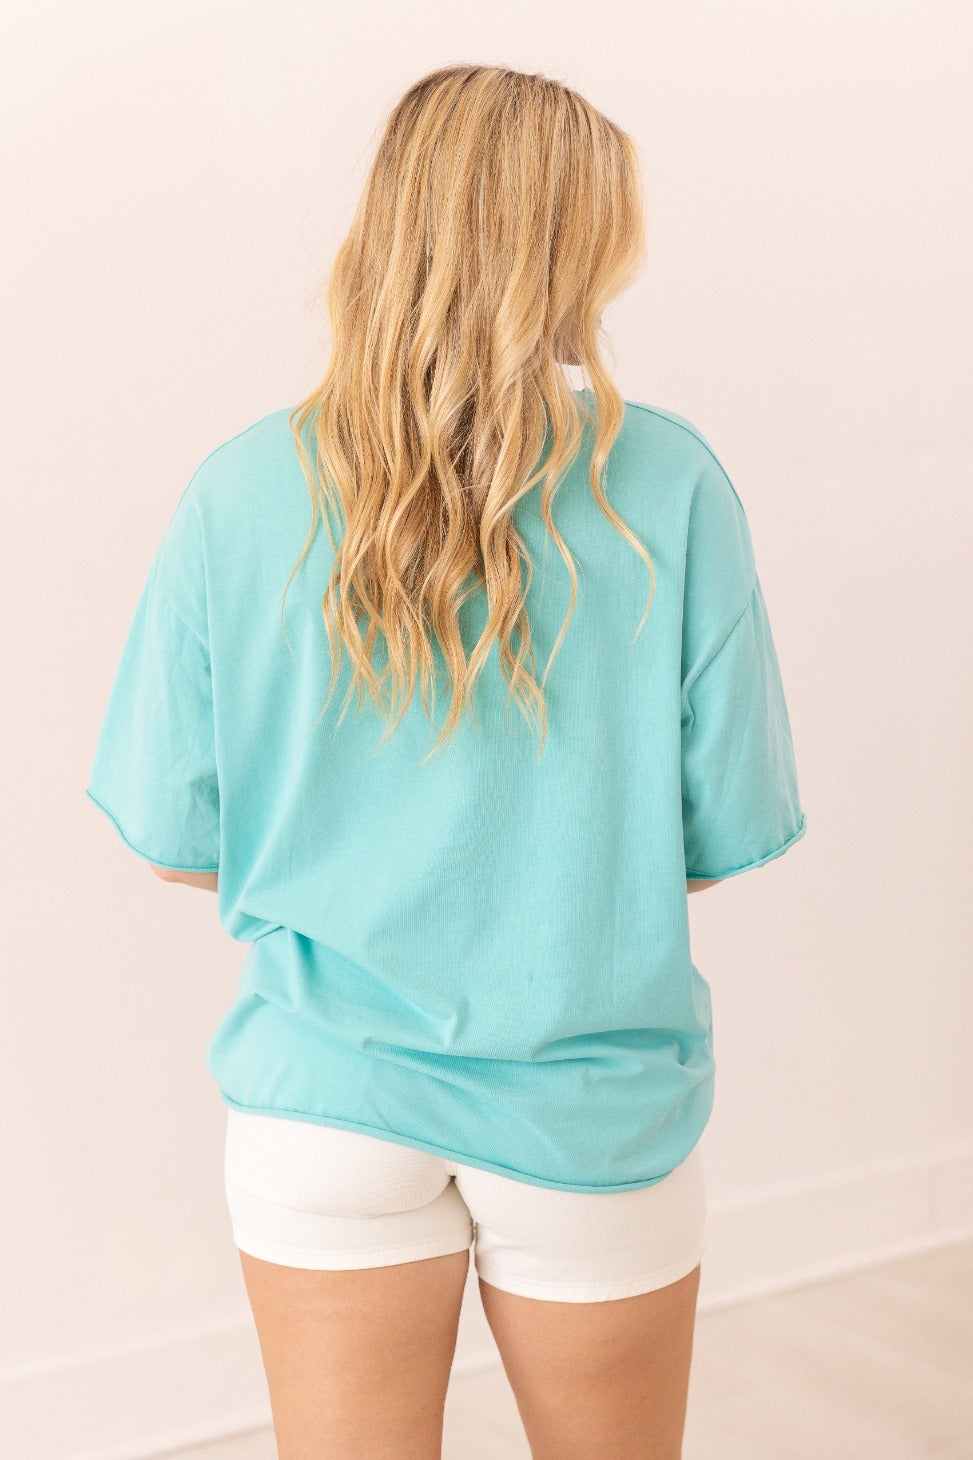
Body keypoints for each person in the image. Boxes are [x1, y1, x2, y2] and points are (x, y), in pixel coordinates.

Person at [85, 62, 806, 1460]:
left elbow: (176, 843)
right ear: (577, 246)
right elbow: (723, 834)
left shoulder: (239, 490)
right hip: (591, 1114)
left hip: (325, 1108)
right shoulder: (669, 486)